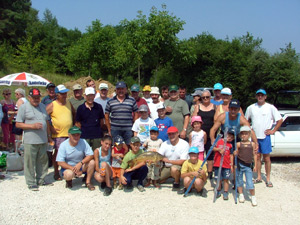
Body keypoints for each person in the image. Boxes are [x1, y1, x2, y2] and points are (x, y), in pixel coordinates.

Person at [16, 88, 53, 191]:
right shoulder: (23, 107)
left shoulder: (42, 106)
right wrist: (32, 126)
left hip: (43, 139)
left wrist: (49, 136)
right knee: (30, 162)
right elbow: (18, 124)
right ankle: (31, 182)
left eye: (38, 97)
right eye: (34, 98)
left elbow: (46, 122)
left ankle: (41, 180)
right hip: (30, 140)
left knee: (42, 161)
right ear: (29, 97)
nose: (36, 99)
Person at [245, 89, 283, 187]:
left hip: (265, 137)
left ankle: (268, 178)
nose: (260, 97)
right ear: (256, 96)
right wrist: (249, 131)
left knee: (267, 158)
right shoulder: (251, 108)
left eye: (262, 95)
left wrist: (273, 131)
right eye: (258, 95)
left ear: (265, 96)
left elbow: (280, 120)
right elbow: (246, 120)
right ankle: (258, 177)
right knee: (257, 157)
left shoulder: (270, 107)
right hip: (255, 137)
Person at [46, 84, 75, 181]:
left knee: (69, 154)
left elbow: (74, 114)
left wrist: (74, 125)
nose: (65, 95)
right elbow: (44, 116)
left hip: (69, 134)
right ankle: (56, 171)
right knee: (58, 154)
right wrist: (51, 127)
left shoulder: (68, 103)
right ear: (57, 94)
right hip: (59, 135)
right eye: (62, 94)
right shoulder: (52, 105)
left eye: (65, 93)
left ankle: (67, 171)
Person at [56, 126, 95, 190]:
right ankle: (69, 180)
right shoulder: (63, 145)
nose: (76, 137)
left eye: (78, 135)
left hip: (81, 165)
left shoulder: (83, 141)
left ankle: (88, 182)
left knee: (92, 162)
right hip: (69, 167)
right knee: (68, 174)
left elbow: (91, 155)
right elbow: (60, 162)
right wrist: (73, 168)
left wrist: (81, 163)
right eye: (74, 135)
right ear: (69, 135)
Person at [105, 81, 138, 147]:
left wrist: (134, 127)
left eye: (122, 89)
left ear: (126, 89)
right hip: (115, 129)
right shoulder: (110, 101)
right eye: (119, 89)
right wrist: (109, 130)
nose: (121, 91)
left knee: (128, 147)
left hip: (128, 129)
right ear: (116, 90)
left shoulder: (132, 100)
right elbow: (106, 115)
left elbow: (136, 113)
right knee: (116, 148)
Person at [192, 90, 216, 179]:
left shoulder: (214, 106)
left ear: (210, 97)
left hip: (211, 133)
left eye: (207, 97)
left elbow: (216, 119)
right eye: (203, 97)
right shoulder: (198, 107)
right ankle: (198, 170)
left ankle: (210, 172)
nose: (205, 99)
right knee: (198, 153)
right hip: (199, 133)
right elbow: (193, 119)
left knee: (210, 153)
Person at [158, 126, 189, 191]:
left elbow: (183, 161)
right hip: (167, 167)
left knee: (174, 169)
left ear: (178, 134)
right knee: (158, 179)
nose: (171, 135)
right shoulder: (164, 144)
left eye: (173, 134)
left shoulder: (184, 144)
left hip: (179, 166)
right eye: (169, 134)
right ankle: (170, 175)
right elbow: (159, 155)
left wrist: (169, 161)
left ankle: (176, 182)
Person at [234, 126, 257, 206]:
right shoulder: (238, 144)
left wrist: (255, 165)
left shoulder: (252, 144)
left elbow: (254, 155)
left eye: (246, 134)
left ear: (249, 135)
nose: (244, 136)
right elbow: (235, 154)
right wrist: (235, 154)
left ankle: (253, 196)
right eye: (242, 134)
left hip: (248, 166)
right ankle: (241, 194)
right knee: (239, 181)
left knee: (249, 182)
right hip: (240, 165)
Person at [213, 128, 234, 200]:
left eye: (232, 137)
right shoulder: (218, 141)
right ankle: (218, 190)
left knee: (226, 179)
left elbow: (231, 155)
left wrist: (231, 165)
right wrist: (219, 149)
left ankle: (225, 192)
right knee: (218, 178)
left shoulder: (230, 145)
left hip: (226, 164)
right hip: (217, 163)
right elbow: (213, 148)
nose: (230, 138)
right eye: (228, 136)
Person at [13, 88, 27, 153]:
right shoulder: (26, 100)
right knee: (21, 136)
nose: (15, 95)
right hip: (24, 121)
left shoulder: (20, 101)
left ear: (19, 94)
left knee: (17, 137)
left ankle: (17, 150)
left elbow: (20, 111)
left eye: (16, 94)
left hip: (19, 120)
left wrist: (11, 112)